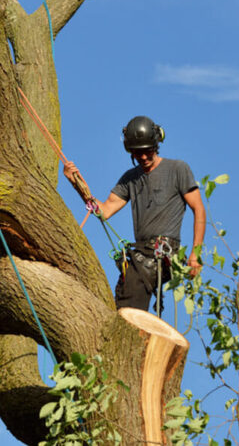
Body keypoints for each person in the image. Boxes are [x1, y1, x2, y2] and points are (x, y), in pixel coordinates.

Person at [63, 116, 206, 313]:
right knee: (124, 294)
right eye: (138, 154)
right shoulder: (130, 178)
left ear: (156, 145)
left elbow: (198, 209)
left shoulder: (178, 169)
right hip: (140, 253)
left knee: (132, 297)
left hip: (163, 251)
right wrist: (76, 183)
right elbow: (104, 210)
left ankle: (130, 334)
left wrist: (195, 255)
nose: (144, 158)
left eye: (147, 152)